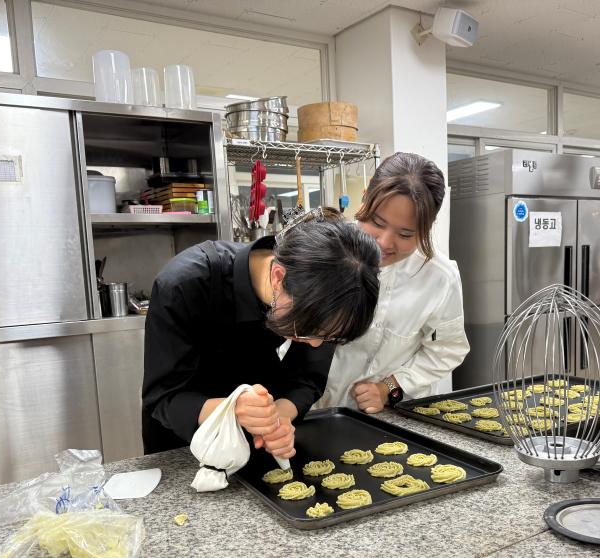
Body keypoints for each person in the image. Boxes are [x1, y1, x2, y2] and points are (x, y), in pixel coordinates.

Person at [142, 216, 381, 458]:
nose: (316, 343)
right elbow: (163, 397)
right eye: (308, 331)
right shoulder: (185, 284)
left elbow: (308, 378)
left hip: (258, 443)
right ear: (278, 277)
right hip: (183, 443)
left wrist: (278, 418)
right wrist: (232, 409)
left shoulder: (321, 300)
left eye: (329, 338)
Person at [315, 152, 469, 413]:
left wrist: (389, 387)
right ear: (365, 197)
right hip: (309, 409)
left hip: (388, 417)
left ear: (427, 227)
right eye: (377, 222)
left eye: (405, 234)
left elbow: (447, 349)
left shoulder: (438, 276)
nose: (385, 243)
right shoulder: (326, 251)